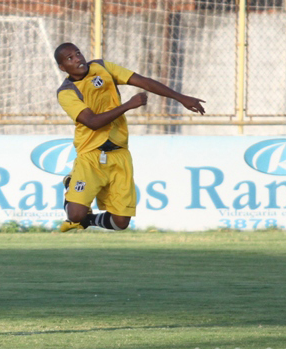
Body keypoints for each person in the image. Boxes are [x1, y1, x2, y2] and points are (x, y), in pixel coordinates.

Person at [54, 42, 205, 232]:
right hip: (90, 154)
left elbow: (144, 81)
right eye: (70, 58)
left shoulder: (102, 67)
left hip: (119, 153)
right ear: (62, 67)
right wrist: (128, 105)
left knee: (121, 222)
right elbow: (92, 121)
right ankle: (71, 183)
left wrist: (181, 98)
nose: (77, 58)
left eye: (78, 53)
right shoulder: (66, 92)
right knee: (75, 215)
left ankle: (88, 221)